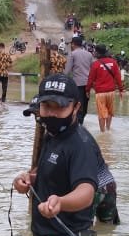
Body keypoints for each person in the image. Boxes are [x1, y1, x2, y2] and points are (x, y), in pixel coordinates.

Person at [13, 74, 99, 236]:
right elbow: (49, 172)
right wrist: (27, 179)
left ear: (76, 107)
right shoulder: (53, 137)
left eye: (59, 107)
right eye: (46, 106)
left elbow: (86, 191)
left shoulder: (80, 144)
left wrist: (61, 202)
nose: (50, 114)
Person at [24, 96, 119, 225]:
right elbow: (47, 166)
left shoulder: (75, 139)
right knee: (105, 231)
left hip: (99, 188)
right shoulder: (54, 136)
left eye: (38, 114)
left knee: (86, 229)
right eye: (37, 115)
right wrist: (29, 178)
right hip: (100, 186)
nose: (39, 119)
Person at [87, 44, 124, 132]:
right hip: (111, 91)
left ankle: (102, 133)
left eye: (95, 51)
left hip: (100, 93)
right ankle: (108, 129)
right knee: (110, 112)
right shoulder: (113, 62)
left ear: (97, 53)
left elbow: (90, 79)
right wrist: (121, 90)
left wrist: (87, 90)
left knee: (101, 113)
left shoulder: (95, 64)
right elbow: (118, 77)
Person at [64, 35, 94, 124]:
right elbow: (92, 68)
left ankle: (78, 123)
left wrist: (63, 78)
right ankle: (81, 121)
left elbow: (67, 70)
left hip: (77, 84)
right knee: (85, 104)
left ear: (73, 44)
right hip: (88, 84)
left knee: (78, 104)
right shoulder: (89, 54)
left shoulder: (72, 54)